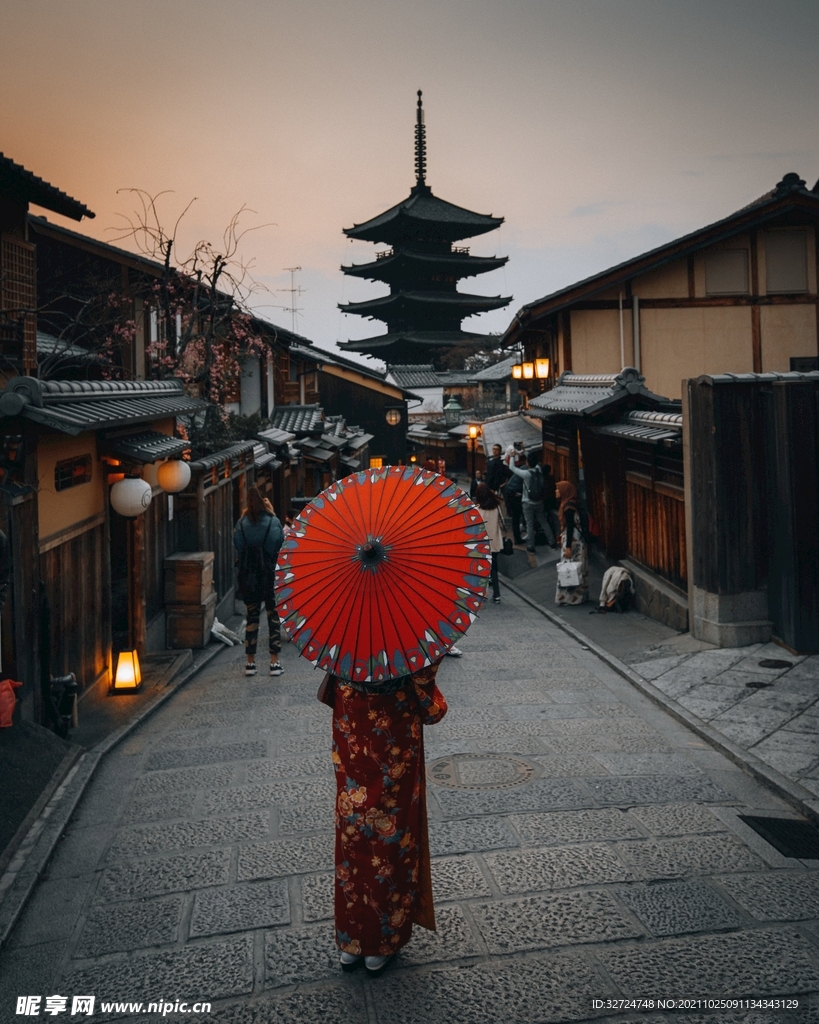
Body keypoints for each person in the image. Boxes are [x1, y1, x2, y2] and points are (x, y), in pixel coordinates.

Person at [322, 659, 448, 976]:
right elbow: (425, 680)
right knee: (391, 825)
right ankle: (381, 943)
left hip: (351, 711)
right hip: (393, 719)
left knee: (354, 823)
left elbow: (330, 675)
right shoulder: (406, 619)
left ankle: (352, 941)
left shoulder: (339, 615)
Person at [233, 485, 284, 676]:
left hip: (249, 576)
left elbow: (238, 546)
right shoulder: (273, 521)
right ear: (264, 501)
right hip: (270, 574)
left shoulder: (241, 523)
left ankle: (250, 663)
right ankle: (274, 663)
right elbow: (279, 543)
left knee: (252, 618)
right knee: (273, 617)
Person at [505, 450, 557, 552]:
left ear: (528, 463)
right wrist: (524, 450)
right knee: (543, 522)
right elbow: (534, 461)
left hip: (527, 502)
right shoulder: (539, 471)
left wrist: (512, 456)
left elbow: (512, 467)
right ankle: (552, 542)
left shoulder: (526, 474)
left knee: (530, 524)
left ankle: (531, 546)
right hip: (539, 502)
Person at [555, 480, 589, 605]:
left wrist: (568, 546)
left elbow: (569, 526)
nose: (556, 491)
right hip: (578, 540)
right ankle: (580, 595)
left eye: (558, 489)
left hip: (572, 541)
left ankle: (569, 597)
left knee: (568, 568)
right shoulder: (573, 504)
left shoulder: (568, 507)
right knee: (578, 568)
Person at [474, 483, 503, 604]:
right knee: (494, 570)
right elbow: (502, 524)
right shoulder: (496, 507)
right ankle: (497, 595)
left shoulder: (477, 510)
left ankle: (482, 593)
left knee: (481, 569)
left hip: (481, 543)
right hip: (495, 542)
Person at [501, 453, 525, 545]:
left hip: (511, 493)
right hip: (513, 495)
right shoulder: (526, 471)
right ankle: (517, 538)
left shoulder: (522, 469)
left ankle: (518, 536)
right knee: (516, 516)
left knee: (516, 517)